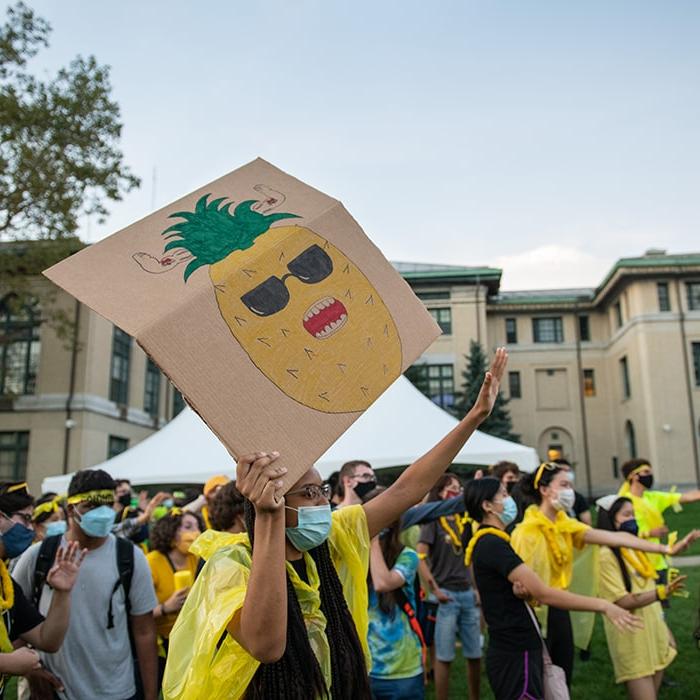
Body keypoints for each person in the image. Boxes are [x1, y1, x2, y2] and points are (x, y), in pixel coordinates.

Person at [163, 347, 509, 700]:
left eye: (322, 490)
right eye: (309, 493)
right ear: (275, 500)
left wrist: (475, 416)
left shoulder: (334, 539)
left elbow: (408, 488)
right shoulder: (233, 565)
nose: (322, 502)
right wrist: (267, 515)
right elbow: (266, 646)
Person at [511, 462, 699, 687]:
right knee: (536, 683)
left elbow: (614, 537)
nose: (570, 490)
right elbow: (533, 590)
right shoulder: (526, 533)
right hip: (532, 618)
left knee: (560, 681)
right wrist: (603, 605)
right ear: (544, 490)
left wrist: (665, 549)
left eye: (570, 484)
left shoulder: (566, 525)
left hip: (558, 613)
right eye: (564, 484)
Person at [462, 477, 642, 700]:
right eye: (503, 495)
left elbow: (507, 592)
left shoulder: (493, 541)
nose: (510, 500)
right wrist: (604, 605)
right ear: (487, 506)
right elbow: (543, 593)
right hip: (516, 652)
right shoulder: (492, 543)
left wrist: (521, 593)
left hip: (516, 647)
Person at [13, 469, 159, 700]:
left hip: (117, 691)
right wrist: (32, 671)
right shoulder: (39, 556)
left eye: (108, 505)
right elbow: (13, 623)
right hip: (56, 692)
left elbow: (144, 630)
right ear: (71, 509)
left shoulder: (130, 557)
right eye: (91, 506)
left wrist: (150, 695)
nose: (101, 513)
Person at [596, 495, 682, 699]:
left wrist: (664, 629)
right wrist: (662, 592)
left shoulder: (635, 546)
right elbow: (622, 601)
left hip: (653, 631)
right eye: (626, 515)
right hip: (633, 639)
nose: (632, 519)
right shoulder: (605, 556)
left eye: (633, 514)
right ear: (610, 520)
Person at [417, 474, 480, 700]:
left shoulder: (464, 521)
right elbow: (420, 557)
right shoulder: (433, 520)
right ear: (441, 493)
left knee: (475, 654)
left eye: (459, 488)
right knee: (444, 656)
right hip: (446, 597)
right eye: (453, 488)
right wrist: (435, 590)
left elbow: (469, 558)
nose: (458, 492)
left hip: (467, 594)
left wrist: (476, 588)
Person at [364, 486, 424, 699]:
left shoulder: (408, 556)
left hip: (403, 669)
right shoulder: (356, 557)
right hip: (366, 668)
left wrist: (371, 539)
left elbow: (383, 583)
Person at [619, 458, 700, 592]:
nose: (650, 476)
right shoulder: (624, 502)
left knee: (660, 606)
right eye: (646, 471)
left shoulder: (652, 497)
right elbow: (620, 533)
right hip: (637, 563)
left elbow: (686, 497)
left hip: (658, 561)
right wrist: (649, 533)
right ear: (633, 476)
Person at [147, 510, 202, 684]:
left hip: (191, 640)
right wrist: (165, 608)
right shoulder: (152, 562)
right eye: (188, 527)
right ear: (170, 531)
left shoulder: (196, 558)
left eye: (197, 527)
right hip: (162, 646)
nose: (196, 532)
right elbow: (136, 615)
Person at [551, 457, 592, 525]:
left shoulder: (578, 498)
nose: (566, 474)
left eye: (568, 471)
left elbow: (587, 523)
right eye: (563, 471)